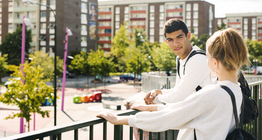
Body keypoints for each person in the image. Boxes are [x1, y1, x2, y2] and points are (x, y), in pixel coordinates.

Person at [97, 28, 249, 140]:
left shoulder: (212, 94)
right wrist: (150, 107)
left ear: (215, 63)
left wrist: (120, 120)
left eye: (207, 56)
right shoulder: (235, 90)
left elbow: (171, 117)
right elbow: (188, 110)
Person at [144, 19, 214, 105]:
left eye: (179, 37)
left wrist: (156, 99)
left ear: (188, 36)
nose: (175, 43)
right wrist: (159, 92)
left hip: (211, 114)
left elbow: (178, 97)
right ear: (166, 41)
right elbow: (178, 89)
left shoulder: (197, 59)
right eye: (170, 40)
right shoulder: (180, 59)